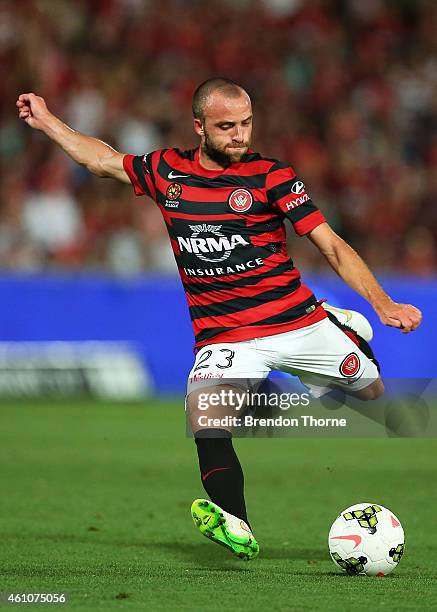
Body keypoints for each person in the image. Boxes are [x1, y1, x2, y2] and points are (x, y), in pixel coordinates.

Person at [17, 78, 422, 561]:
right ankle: (237, 524)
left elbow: (331, 244)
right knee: (205, 417)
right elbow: (100, 160)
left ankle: (346, 327)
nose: (240, 135)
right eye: (226, 126)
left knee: (371, 395)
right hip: (228, 336)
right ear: (199, 127)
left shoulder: (273, 177)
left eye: (246, 123)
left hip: (298, 321)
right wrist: (47, 122)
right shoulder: (168, 171)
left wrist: (382, 303)